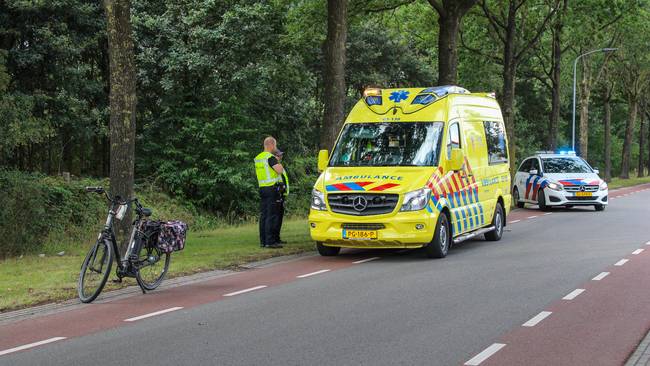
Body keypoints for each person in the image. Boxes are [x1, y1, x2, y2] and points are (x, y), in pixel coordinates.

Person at [254, 137, 284, 249]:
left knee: (264, 215)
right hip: (272, 189)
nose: (275, 148)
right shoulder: (270, 158)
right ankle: (270, 241)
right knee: (272, 215)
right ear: (271, 145)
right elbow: (279, 170)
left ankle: (263, 241)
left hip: (262, 188)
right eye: (275, 146)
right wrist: (279, 162)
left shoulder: (258, 158)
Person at [272, 148, 289, 244]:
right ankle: (274, 238)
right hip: (278, 194)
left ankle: (277, 238)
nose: (280, 157)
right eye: (278, 155)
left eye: (281, 155)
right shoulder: (275, 166)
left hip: (282, 195)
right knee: (276, 218)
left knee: (280, 218)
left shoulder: (279, 166)